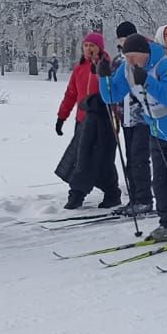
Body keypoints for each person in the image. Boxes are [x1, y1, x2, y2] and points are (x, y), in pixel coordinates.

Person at [99, 31, 167, 243]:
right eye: (125, 56)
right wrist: (103, 77)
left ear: (144, 54)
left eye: (132, 57)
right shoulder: (128, 67)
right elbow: (111, 95)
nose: (128, 61)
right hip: (157, 131)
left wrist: (147, 81)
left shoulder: (165, 65)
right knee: (161, 182)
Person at [54, 32, 121, 210]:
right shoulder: (79, 69)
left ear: (100, 48)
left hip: (105, 121)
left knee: (103, 159)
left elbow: (114, 92)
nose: (89, 49)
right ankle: (78, 193)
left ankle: (108, 192)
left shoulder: (108, 66)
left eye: (93, 46)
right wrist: (61, 117)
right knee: (82, 158)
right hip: (83, 121)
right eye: (86, 46)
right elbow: (71, 94)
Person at [109, 21, 153, 219]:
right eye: (121, 38)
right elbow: (115, 88)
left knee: (139, 157)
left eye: (127, 37)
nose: (124, 41)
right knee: (130, 158)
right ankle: (134, 197)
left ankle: (144, 198)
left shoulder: (141, 56)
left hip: (142, 117)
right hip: (125, 116)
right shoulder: (118, 61)